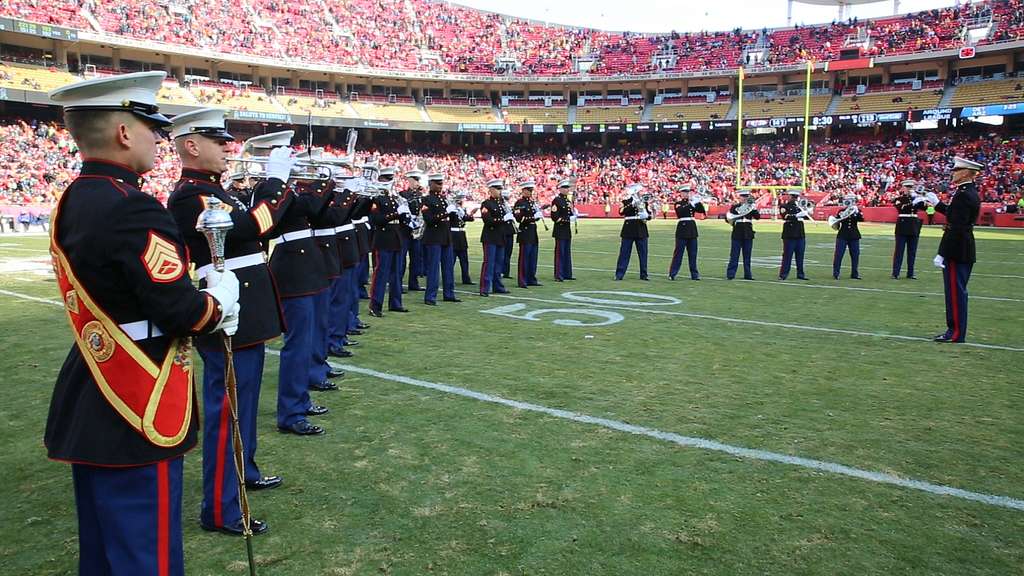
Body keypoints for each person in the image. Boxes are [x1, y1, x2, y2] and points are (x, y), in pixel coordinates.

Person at [46, 71, 240, 575]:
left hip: (94, 380)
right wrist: (216, 303)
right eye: (150, 125)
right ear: (124, 132)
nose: (160, 138)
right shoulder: (130, 205)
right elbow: (180, 311)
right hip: (137, 394)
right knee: (145, 555)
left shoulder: (77, 197)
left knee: (103, 553)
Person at [167, 108, 292, 536]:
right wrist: (274, 183)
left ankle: (245, 471)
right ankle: (220, 508)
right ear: (190, 145)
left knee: (246, 402)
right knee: (228, 410)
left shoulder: (218, 190)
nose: (227, 147)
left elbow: (261, 229)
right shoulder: (190, 195)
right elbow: (249, 228)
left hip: (247, 307)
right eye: (216, 140)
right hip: (227, 309)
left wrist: (271, 189)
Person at [262, 131, 332, 437]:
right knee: (297, 345)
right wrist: (277, 181)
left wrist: (329, 180)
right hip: (292, 269)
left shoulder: (283, 188)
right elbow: (279, 218)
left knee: (308, 340)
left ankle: (300, 401)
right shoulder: (266, 190)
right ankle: (290, 412)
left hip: (307, 268)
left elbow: (314, 211)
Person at [931, 156, 983, 343]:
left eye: (957, 170)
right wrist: (937, 204)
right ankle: (954, 330)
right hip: (962, 247)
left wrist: (942, 252)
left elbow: (957, 226)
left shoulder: (964, 194)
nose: (953, 173)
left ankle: (955, 333)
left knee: (955, 292)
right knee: (955, 291)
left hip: (957, 248)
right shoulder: (966, 192)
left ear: (966, 173)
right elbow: (955, 216)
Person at [367, 166, 408, 316]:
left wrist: (405, 215)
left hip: (396, 238)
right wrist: (396, 214)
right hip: (383, 239)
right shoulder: (376, 198)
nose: (391, 182)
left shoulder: (394, 198)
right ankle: (375, 305)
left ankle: (395, 303)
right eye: (388, 179)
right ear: (381, 180)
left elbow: (399, 218)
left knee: (396, 273)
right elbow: (376, 220)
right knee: (381, 274)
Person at [420, 173, 459, 304]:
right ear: (430, 184)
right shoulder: (427, 200)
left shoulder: (444, 199)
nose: (440, 186)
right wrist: (446, 212)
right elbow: (429, 220)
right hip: (433, 237)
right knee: (433, 268)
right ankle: (430, 296)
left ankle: (449, 293)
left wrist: (455, 213)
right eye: (437, 183)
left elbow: (452, 221)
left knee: (448, 268)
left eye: (441, 183)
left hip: (446, 236)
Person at [668, 184, 705, 280]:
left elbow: (701, 211)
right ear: (681, 193)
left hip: (692, 230)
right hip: (682, 230)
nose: (686, 194)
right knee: (678, 253)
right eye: (684, 192)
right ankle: (673, 273)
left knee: (693, 254)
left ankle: (694, 274)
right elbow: (680, 212)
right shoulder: (678, 203)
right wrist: (691, 204)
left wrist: (698, 201)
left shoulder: (692, 202)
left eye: (687, 192)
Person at [614, 184, 652, 280]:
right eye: (639, 192)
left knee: (643, 254)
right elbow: (621, 212)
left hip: (641, 229)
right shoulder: (626, 201)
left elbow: (649, 215)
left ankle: (644, 274)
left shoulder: (644, 202)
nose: (641, 193)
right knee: (624, 253)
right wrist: (632, 204)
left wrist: (646, 215)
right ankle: (619, 274)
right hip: (629, 229)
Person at [478, 179, 509, 296]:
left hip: (500, 236)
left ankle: (497, 286)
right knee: (489, 263)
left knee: (498, 263)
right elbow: (488, 220)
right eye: (497, 188)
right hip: (490, 236)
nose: (500, 191)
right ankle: (485, 287)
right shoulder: (486, 204)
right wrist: (503, 219)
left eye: (500, 188)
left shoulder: (501, 204)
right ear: (491, 190)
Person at [892, 179, 927, 279]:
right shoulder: (900, 199)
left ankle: (910, 273)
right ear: (903, 188)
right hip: (903, 225)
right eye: (908, 187)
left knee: (912, 251)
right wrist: (913, 202)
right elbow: (901, 208)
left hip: (914, 226)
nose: (909, 189)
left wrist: (921, 198)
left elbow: (925, 208)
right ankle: (896, 273)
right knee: (899, 251)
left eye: (911, 187)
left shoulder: (917, 198)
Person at [398, 170, 425, 292]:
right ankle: (398, 283)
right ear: (409, 181)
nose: (417, 183)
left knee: (416, 258)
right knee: (402, 258)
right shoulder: (402, 194)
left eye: (417, 180)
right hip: (405, 229)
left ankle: (413, 283)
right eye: (415, 180)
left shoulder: (420, 195)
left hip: (416, 230)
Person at [513, 180, 543, 288]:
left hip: (532, 230)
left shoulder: (531, 202)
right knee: (524, 257)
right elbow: (519, 218)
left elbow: (534, 217)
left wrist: (537, 216)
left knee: (533, 257)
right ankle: (522, 280)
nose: (531, 192)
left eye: (531, 190)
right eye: (529, 190)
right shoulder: (520, 203)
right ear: (523, 190)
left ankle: (531, 278)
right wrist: (533, 217)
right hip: (525, 231)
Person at [725, 190, 760, 280]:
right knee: (734, 255)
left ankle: (748, 274)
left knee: (747, 256)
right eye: (742, 196)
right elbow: (728, 218)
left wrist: (754, 208)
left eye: (746, 197)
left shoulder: (751, 207)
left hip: (748, 233)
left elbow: (757, 217)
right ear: (739, 197)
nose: (744, 198)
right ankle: (731, 274)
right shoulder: (735, 207)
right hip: (737, 233)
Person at [778, 189, 810, 281]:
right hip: (790, 234)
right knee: (787, 256)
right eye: (793, 197)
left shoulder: (800, 207)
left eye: (796, 197)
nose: (795, 199)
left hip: (800, 234)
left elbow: (806, 217)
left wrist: (807, 211)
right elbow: (785, 216)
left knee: (800, 256)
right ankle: (783, 274)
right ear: (789, 196)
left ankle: (800, 274)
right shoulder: (784, 206)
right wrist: (797, 215)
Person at [831, 194, 864, 280]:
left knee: (855, 255)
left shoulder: (857, 210)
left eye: (851, 200)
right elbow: (836, 223)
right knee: (839, 254)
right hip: (842, 235)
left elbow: (861, 219)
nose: (849, 202)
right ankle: (836, 273)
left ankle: (854, 274)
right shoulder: (841, 211)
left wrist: (856, 212)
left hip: (854, 235)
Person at [550, 178, 576, 281]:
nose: (567, 189)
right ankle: (559, 274)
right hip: (560, 229)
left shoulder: (567, 200)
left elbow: (570, 213)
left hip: (566, 230)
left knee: (567, 252)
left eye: (567, 187)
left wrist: (573, 214)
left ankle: (567, 273)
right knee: (560, 253)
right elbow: (555, 217)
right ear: (559, 189)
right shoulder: (557, 200)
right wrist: (567, 219)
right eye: (564, 188)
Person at [450, 192, 477, 284]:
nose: (463, 201)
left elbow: (468, 219)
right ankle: (449, 278)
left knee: (464, 259)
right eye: (462, 199)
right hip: (454, 234)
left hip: (461, 234)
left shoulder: (461, 209)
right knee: (451, 259)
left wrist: (471, 214)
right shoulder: (453, 209)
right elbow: (454, 218)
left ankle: (466, 278)